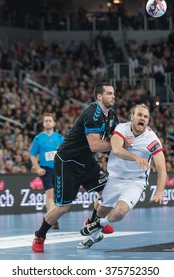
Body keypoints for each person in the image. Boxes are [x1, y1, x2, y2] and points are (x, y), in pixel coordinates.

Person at [32, 82, 121, 253]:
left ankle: (93, 223)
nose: (113, 96)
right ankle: (40, 235)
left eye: (114, 93)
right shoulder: (92, 112)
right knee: (63, 207)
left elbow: (117, 138)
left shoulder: (112, 116)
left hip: (86, 161)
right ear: (99, 96)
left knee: (108, 193)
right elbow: (95, 145)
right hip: (68, 162)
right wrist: (118, 147)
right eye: (109, 93)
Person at [78, 104, 167, 249]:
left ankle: (98, 225)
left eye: (145, 116)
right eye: (139, 115)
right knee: (101, 211)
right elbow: (117, 150)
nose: (142, 118)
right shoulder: (121, 129)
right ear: (132, 117)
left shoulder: (152, 140)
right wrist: (135, 157)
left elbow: (162, 169)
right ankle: (95, 236)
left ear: (148, 121)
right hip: (115, 178)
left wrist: (159, 191)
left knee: (119, 212)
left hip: (136, 181)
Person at [30, 113, 64, 230]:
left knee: (57, 195)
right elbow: (33, 155)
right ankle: (52, 219)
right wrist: (38, 168)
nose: (48, 122)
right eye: (46, 121)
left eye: (50, 120)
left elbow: (65, 153)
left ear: (54, 123)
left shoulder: (60, 138)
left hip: (58, 169)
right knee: (49, 193)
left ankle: (51, 216)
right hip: (46, 169)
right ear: (43, 124)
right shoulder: (38, 138)